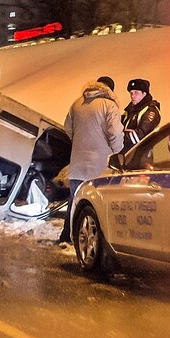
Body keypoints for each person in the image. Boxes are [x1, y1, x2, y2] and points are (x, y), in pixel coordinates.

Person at [58, 78, 124, 244]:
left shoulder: (77, 103)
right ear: (110, 90)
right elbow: (115, 133)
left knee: (75, 202)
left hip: (78, 164)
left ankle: (67, 237)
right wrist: (117, 151)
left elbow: (68, 129)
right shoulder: (109, 105)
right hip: (100, 166)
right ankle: (92, 242)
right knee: (98, 206)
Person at [121, 78, 161, 152]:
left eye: (136, 92)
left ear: (144, 94)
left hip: (142, 156)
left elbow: (141, 134)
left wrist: (118, 138)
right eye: (131, 93)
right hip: (128, 155)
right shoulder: (128, 111)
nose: (132, 96)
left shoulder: (150, 110)